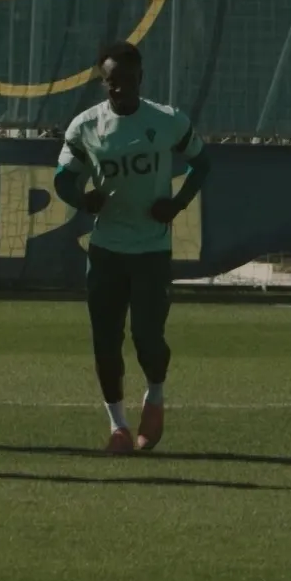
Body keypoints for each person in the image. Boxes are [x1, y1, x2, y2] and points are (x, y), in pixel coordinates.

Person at [53, 41, 209, 454]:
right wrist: (81, 199)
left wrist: (176, 203)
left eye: (124, 80)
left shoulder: (167, 121)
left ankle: (154, 395)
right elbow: (63, 179)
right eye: (109, 82)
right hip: (105, 250)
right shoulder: (85, 126)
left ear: (140, 78)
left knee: (148, 338)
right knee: (105, 340)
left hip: (152, 252)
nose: (116, 89)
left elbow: (202, 162)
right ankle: (118, 425)